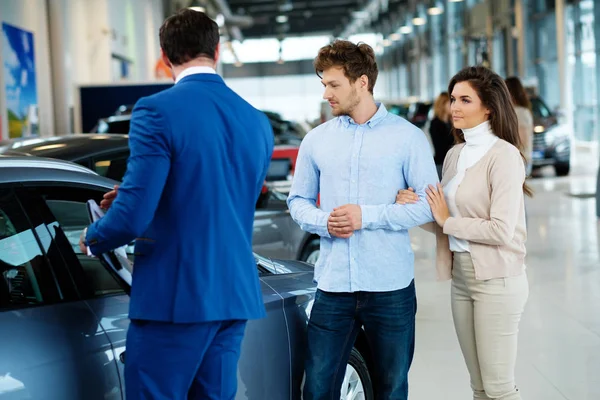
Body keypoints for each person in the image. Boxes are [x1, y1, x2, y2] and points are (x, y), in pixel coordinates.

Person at [78, 9, 274, 400]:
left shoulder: (156, 110)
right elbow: (226, 197)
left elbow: (131, 218)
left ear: (165, 56)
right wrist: (155, 195)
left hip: (176, 297)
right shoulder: (255, 120)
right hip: (232, 292)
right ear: (216, 51)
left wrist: (92, 236)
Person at [287, 40, 438, 400]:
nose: (326, 93)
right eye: (323, 83)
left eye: (333, 84)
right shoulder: (316, 140)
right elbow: (298, 201)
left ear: (362, 82)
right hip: (333, 285)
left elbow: (430, 206)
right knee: (318, 388)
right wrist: (325, 222)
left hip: (390, 286)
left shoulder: (407, 138)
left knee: (391, 387)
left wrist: (364, 216)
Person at [396, 66, 531, 400]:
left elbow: (501, 230)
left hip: (497, 279)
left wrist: (444, 220)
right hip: (462, 279)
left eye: (464, 100)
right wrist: (412, 207)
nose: (454, 106)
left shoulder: (505, 156)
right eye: (453, 98)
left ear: (488, 107)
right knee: (479, 387)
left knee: (499, 388)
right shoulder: (455, 155)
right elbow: (444, 220)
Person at [505, 76, 534, 176]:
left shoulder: (520, 112)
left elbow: (523, 140)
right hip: (519, 160)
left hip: (519, 160)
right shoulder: (520, 111)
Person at [429, 91, 454, 179]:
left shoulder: (452, 122)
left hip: (452, 162)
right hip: (441, 163)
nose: (453, 106)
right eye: (450, 103)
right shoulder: (435, 123)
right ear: (443, 104)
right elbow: (440, 147)